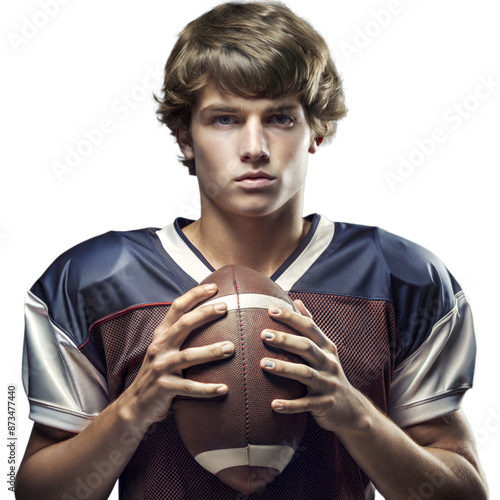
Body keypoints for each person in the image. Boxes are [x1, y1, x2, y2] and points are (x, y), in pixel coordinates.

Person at [16, 2, 488, 499]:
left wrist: (355, 414)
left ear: (317, 131)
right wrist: (135, 407)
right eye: (225, 119)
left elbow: (463, 493)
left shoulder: (400, 277)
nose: (255, 146)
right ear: (185, 136)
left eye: (281, 118)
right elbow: (38, 492)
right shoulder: (93, 280)